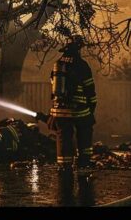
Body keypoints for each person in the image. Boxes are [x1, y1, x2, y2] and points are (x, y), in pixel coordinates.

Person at [46, 36, 97, 171]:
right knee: (85, 133)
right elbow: (90, 90)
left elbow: (54, 87)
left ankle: (64, 167)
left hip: (59, 111)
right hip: (79, 110)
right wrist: (91, 109)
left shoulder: (57, 64)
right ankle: (83, 166)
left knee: (63, 139)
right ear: (78, 48)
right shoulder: (82, 65)